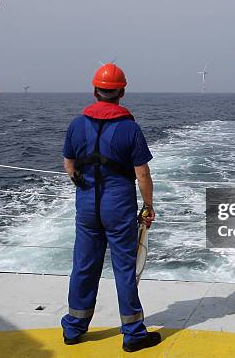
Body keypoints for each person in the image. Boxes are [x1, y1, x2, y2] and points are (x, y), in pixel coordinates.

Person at [60, 63, 161, 352]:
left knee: (84, 265)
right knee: (125, 269)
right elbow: (142, 173)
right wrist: (148, 205)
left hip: (87, 206)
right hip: (118, 205)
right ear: (122, 92)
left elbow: (69, 164)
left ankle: (74, 328)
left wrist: (83, 184)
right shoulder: (130, 128)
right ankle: (133, 334)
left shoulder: (77, 124)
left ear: (94, 90)